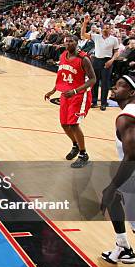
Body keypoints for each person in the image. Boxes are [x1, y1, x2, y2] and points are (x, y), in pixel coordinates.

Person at [100, 75, 135, 264]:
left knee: (110, 193)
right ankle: (123, 246)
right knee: (111, 197)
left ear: (132, 92)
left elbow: (132, 156)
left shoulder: (126, 117)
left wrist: (114, 185)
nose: (114, 89)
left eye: (120, 86)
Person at [45, 35, 96, 168]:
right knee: (64, 124)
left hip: (80, 95)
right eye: (66, 41)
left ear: (76, 42)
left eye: (71, 41)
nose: (68, 43)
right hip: (65, 94)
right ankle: (75, 145)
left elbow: (93, 80)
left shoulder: (83, 58)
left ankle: (83, 154)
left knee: (73, 124)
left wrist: (74, 91)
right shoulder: (63, 56)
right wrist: (53, 90)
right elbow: (62, 76)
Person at [81, 15, 119, 111]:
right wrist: (85, 23)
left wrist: (111, 60)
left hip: (107, 61)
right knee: (95, 81)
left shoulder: (114, 39)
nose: (106, 29)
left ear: (110, 29)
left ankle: (103, 103)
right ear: (101, 29)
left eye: (108, 28)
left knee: (105, 83)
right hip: (96, 61)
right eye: (104, 27)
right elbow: (83, 34)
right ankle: (93, 101)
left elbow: (116, 52)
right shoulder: (96, 37)